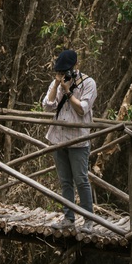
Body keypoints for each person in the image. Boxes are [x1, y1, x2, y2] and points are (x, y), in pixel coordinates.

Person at [42, 48, 97, 228]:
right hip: (58, 138)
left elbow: (82, 109)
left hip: (78, 140)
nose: (63, 73)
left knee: (81, 180)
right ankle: (68, 218)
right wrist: (58, 85)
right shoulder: (56, 82)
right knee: (65, 181)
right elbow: (47, 107)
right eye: (60, 71)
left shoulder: (88, 83)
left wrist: (68, 91)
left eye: (66, 70)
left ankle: (89, 220)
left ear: (75, 66)